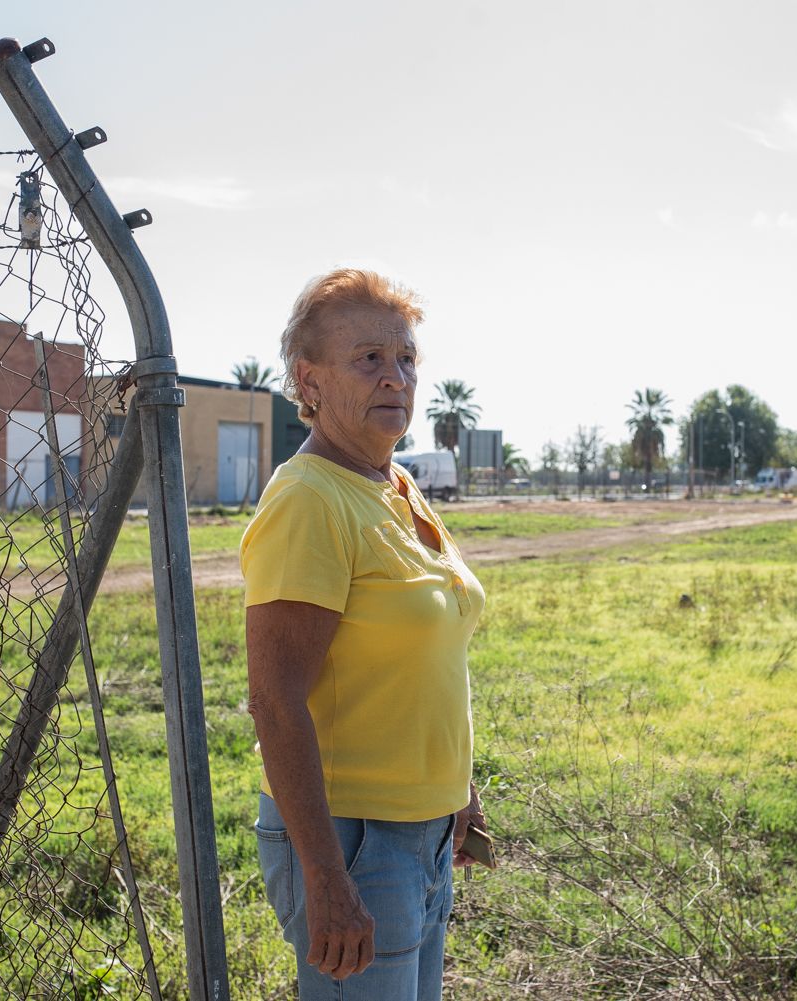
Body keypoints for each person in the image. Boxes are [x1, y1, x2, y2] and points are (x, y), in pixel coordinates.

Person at [241, 268, 487, 999]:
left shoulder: (394, 483)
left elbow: (422, 656)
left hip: (424, 831)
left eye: (406, 358)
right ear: (308, 381)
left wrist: (457, 788)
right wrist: (326, 874)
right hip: (352, 841)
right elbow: (275, 700)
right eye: (369, 359)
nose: (396, 377)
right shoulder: (310, 499)